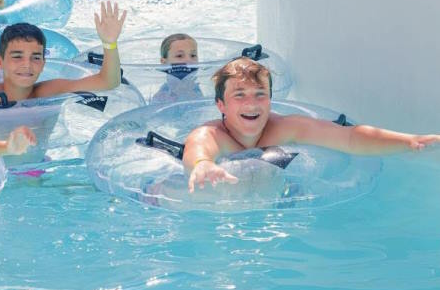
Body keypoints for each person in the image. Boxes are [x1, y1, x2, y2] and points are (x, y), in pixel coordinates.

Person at [183, 57, 440, 192]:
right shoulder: (212, 134)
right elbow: (197, 148)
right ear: (221, 105)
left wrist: (409, 141)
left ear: (271, 100)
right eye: (239, 95)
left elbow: (348, 138)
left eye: (260, 94)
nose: (252, 103)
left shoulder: (284, 127)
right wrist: (202, 165)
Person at [150, 33, 202, 105]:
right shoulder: (162, 95)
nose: (189, 60)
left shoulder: (196, 89)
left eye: (193, 55)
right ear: (164, 62)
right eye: (179, 56)